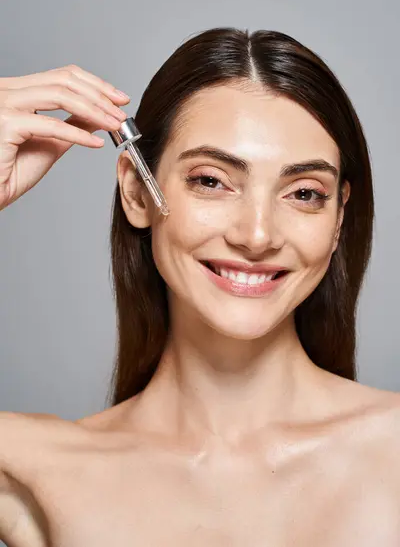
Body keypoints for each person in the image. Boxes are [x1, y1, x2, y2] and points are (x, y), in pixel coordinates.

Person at [0, 27, 399, 546]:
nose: (257, 236)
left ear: (339, 216)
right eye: (211, 181)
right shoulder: (36, 466)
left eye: (304, 193)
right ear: (136, 191)